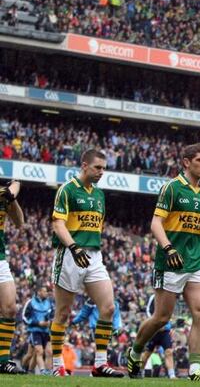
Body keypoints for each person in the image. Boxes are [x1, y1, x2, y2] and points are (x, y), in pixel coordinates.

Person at [125, 143, 200, 381]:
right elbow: (156, 223)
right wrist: (168, 248)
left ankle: (195, 369)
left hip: (195, 263)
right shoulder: (172, 188)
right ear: (186, 162)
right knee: (162, 318)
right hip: (170, 262)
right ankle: (134, 352)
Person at [50, 149, 123, 377]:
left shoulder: (99, 195)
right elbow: (58, 224)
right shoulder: (67, 190)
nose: (102, 172)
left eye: (103, 168)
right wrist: (73, 246)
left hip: (93, 256)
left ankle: (100, 364)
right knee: (63, 313)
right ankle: (56, 366)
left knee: (108, 307)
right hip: (70, 253)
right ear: (84, 165)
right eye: (97, 167)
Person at [0, 180, 23, 374]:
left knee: (9, 308)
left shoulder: (3, 195)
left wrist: (11, 198)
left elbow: (19, 222)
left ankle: (3, 360)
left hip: (0, 258)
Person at [140, 294, 176, 379]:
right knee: (147, 354)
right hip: (154, 331)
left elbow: (171, 314)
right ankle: (140, 372)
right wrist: (154, 323)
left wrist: (172, 327)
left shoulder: (170, 297)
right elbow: (148, 311)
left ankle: (172, 375)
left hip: (165, 332)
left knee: (169, 352)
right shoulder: (153, 297)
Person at [22, 285, 53, 374]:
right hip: (34, 331)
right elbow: (24, 317)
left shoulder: (49, 302)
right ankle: (25, 368)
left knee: (47, 352)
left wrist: (49, 322)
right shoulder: (30, 302)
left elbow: (52, 315)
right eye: (44, 291)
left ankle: (46, 372)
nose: (46, 293)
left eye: (47, 291)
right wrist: (37, 323)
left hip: (46, 331)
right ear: (39, 292)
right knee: (33, 353)